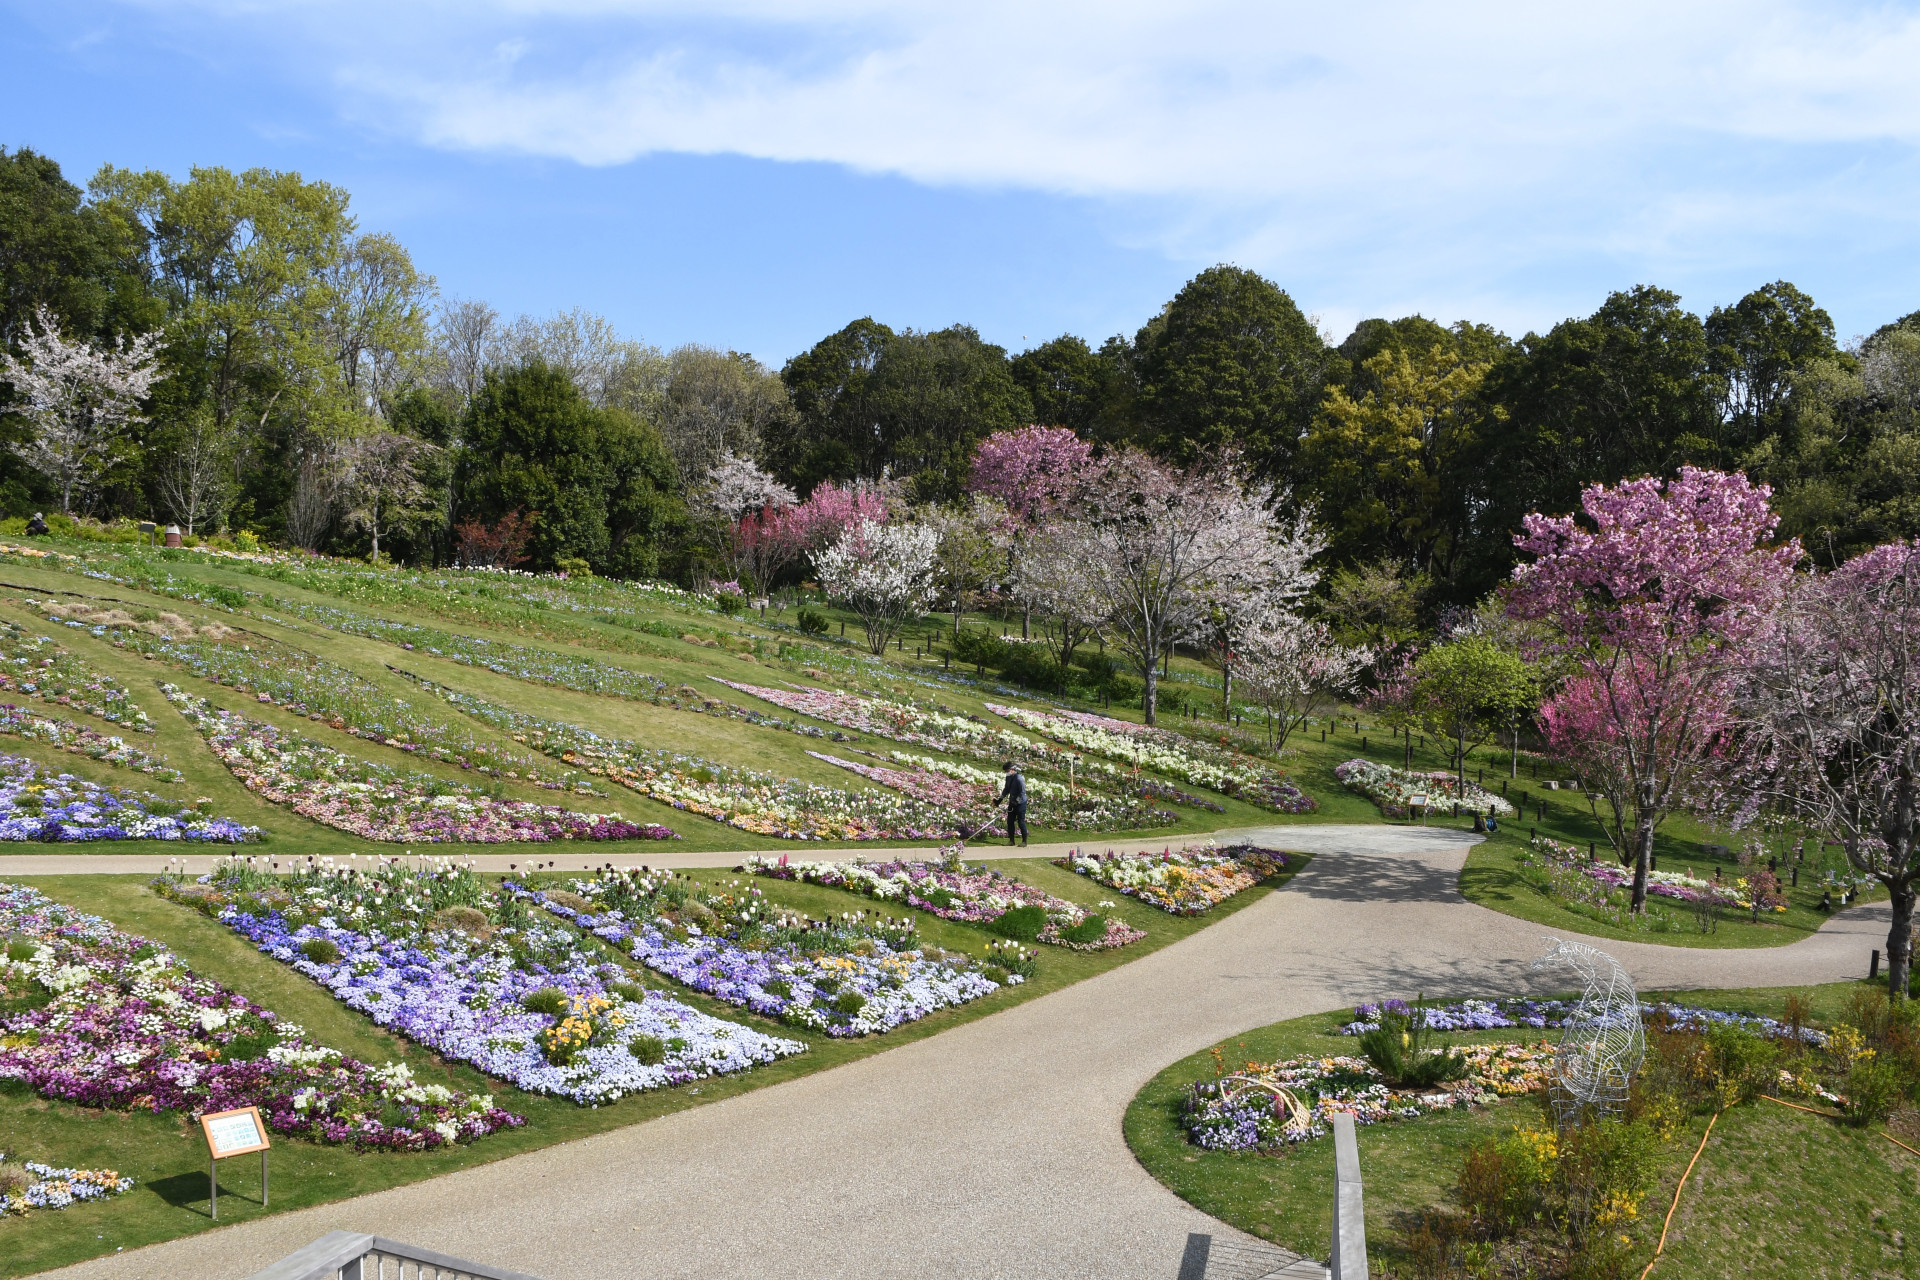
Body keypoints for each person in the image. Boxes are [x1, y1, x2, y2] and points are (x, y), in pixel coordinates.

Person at [999, 761, 1028, 848]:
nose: (1006, 772)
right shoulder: (1008, 778)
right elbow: (1006, 789)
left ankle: (1024, 841)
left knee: (1020, 821)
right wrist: (1000, 799)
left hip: (1021, 803)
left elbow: (1022, 792)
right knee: (1010, 821)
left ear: (1012, 770)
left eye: (1007, 770)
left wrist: (1016, 801)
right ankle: (1011, 840)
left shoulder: (1019, 778)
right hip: (1012, 802)